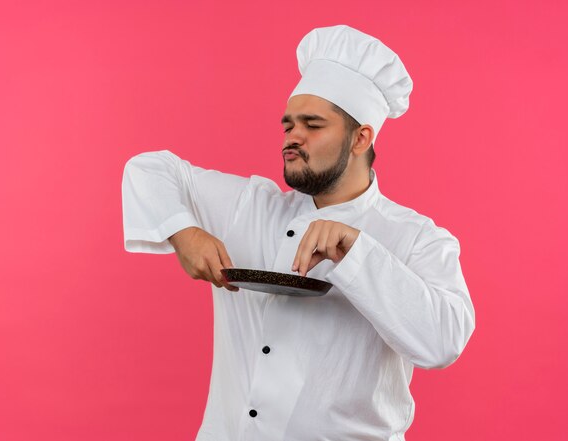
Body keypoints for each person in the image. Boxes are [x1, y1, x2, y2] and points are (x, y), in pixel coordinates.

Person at [122, 24, 475, 441]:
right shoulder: (252, 206)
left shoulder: (417, 238)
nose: (293, 137)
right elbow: (149, 168)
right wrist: (185, 234)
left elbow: (442, 341)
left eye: (313, 124)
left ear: (361, 138)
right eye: (288, 125)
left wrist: (357, 252)